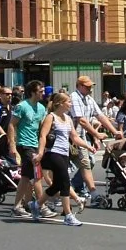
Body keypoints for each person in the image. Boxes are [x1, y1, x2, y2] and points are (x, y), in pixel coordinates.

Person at [37, 90, 85, 226]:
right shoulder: (50, 117)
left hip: (65, 154)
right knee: (65, 181)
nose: (70, 104)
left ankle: (37, 204)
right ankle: (68, 215)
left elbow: (74, 137)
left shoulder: (68, 119)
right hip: (53, 153)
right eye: (68, 102)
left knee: (57, 184)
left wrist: (88, 146)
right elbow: (43, 136)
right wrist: (40, 152)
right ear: (60, 103)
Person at [8, 79, 48, 219]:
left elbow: (43, 128)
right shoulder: (22, 106)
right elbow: (12, 125)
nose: (43, 93)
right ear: (33, 92)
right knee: (37, 175)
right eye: (40, 91)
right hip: (24, 144)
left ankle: (17, 207)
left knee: (25, 177)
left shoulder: (42, 108)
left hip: (35, 144)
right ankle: (41, 206)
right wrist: (12, 144)